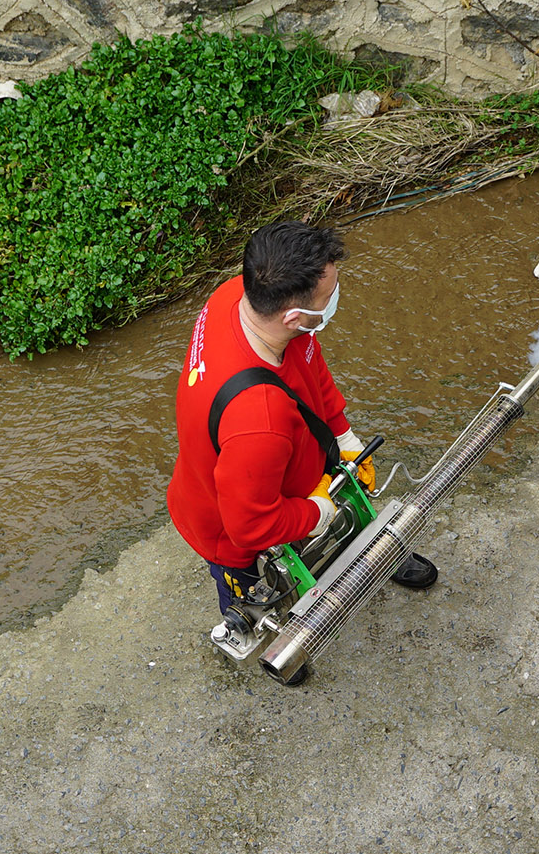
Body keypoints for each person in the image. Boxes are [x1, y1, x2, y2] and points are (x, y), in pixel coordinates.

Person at [166, 222, 437, 646]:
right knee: (253, 590)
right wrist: (316, 513)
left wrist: (342, 433)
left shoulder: (239, 297)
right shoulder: (258, 419)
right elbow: (250, 527)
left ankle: (374, 558)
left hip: (289, 461)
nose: (334, 301)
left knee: (350, 507)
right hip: (231, 520)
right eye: (328, 298)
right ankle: (273, 637)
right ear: (294, 315)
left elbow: (310, 363)